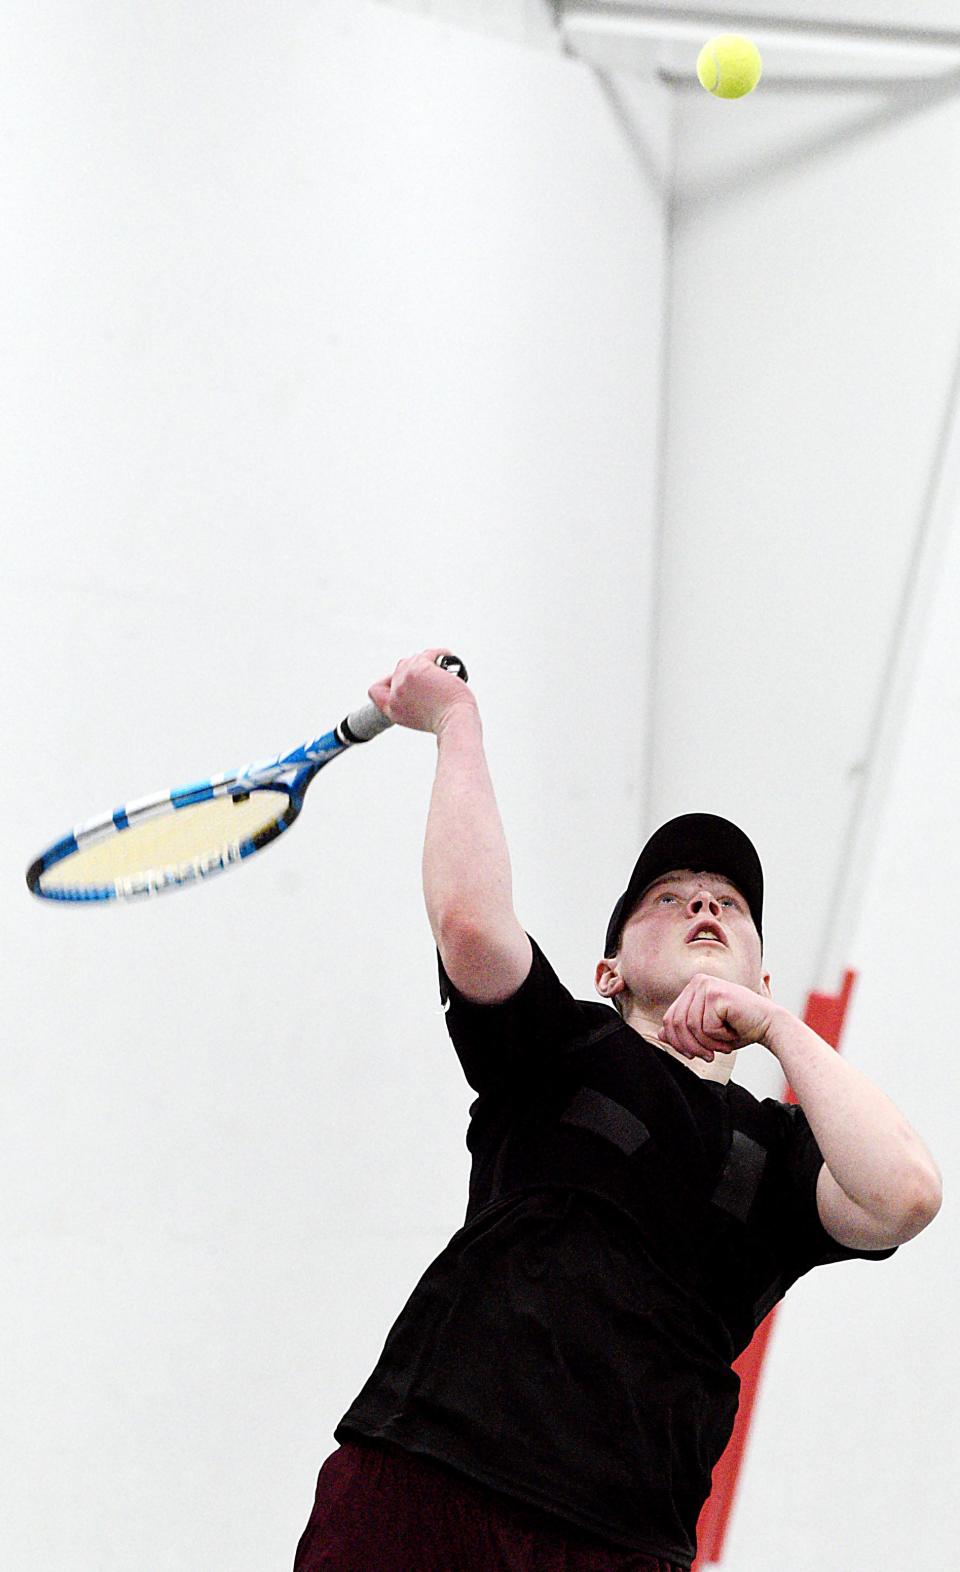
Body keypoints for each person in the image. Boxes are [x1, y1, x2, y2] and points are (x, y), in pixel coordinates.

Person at [293, 649, 942, 1572]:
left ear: (761, 973)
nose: (706, 907)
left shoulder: (782, 1159)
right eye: (670, 899)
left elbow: (907, 1195)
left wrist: (775, 1027)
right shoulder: (559, 1049)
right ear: (609, 974)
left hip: (621, 1543)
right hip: (426, 1480)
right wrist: (456, 724)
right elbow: (473, 926)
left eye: (728, 904)